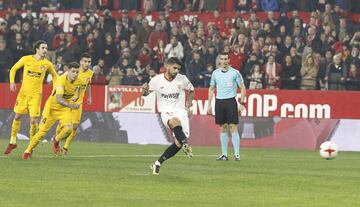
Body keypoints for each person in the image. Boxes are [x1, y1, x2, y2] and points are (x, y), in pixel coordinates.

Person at [142, 57, 194, 175]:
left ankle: (157, 163)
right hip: (166, 112)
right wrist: (144, 90)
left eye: (178, 69)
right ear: (167, 66)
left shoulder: (182, 79)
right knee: (175, 122)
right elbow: (145, 94)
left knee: (178, 143)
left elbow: (191, 90)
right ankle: (186, 144)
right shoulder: (156, 80)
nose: (176, 71)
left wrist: (189, 104)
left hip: (181, 112)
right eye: (174, 68)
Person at [4, 40, 58, 154]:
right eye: (43, 48)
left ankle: (31, 147)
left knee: (33, 121)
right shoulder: (26, 59)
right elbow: (13, 69)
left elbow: (55, 76)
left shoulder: (47, 64)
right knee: (17, 116)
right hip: (23, 94)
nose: (45, 50)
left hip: (36, 96)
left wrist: (56, 88)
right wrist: (12, 82)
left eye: (46, 48)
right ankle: (13, 141)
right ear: (37, 49)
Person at [22, 62, 81, 159]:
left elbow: (79, 88)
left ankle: (56, 140)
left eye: (77, 72)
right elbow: (59, 99)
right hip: (51, 108)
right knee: (41, 132)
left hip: (64, 109)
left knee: (69, 129)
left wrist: (76, 96)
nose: (75, 74)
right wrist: (71, 105)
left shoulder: (79, 80)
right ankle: (28, 151)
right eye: (73, 72)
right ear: (68, 71)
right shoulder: (60, 80)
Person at [52, 53, 93, 156]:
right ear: (80, 62)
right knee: (63, 125)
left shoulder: (90, 73)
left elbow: (88, 85)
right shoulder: (74, 72)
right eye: (85, 61)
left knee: (74, 127)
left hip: (78, 103)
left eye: (89, 62)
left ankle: (65, 147)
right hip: (68, 101)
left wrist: (89, 96)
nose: (87, 64)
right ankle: (56, 140)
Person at [207, 52, 246, 161]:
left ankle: (237, 154)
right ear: (219, 60)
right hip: (219, 102)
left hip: (230, 102)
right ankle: (224, 155)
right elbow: (211, 88)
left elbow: (242, 87)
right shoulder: (215, 73)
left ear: (229, 60)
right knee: (223, 127)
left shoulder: (235, 73)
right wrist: (209, 104)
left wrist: (242, 103)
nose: (224, 61)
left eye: (226, 59)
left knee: (233, 127)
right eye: (222, 59)